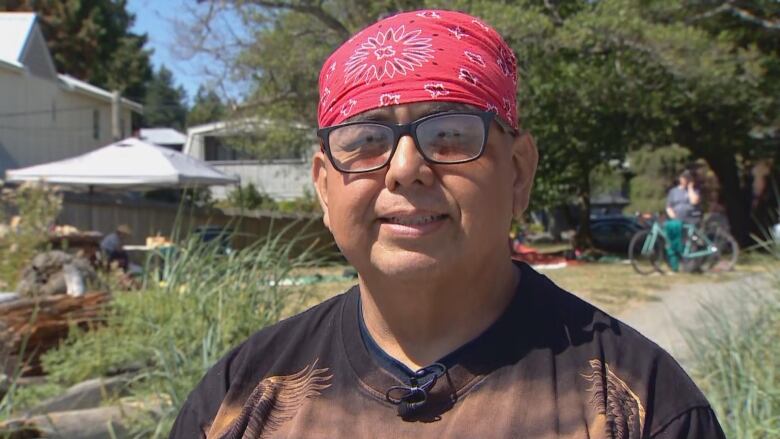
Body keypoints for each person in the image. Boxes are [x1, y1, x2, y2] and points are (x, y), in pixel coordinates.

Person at [170, 10, 724, 438]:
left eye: (451, 134)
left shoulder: (639, 404)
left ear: (518, 172)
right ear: (323, 185)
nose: (406, 169)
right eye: (365, 141)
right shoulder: (242, 399)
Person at [665, 170, 701, 271]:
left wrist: (690, 188)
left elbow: (694, 201)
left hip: (691, 219)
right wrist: (673, 216)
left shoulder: (694, 190)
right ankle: (677, 263)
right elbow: (669, 207)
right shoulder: (673, 192)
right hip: (677, 220)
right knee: (677, 241)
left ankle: (692, 265)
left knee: (691, 242)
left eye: (687, 179)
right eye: (683, 178)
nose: (684, 180)